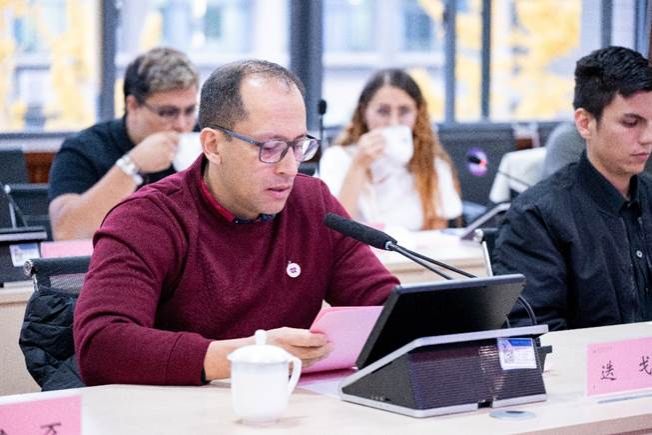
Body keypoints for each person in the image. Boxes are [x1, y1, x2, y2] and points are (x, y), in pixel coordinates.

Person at [73, 59, 399, 386]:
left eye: (298, 145)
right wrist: (251, 355)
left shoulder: (313, 204)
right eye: (269, 147)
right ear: (213, 145)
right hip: (175, 407)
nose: (289, 167)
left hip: (286, 404)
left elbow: (387, 309)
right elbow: (102, 346)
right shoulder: (147, 219)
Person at [493, 46, 652, 331]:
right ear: (585, 123)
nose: (648, 137)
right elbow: (535, 332)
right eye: (631, 123)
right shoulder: (537, 216)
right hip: (583, 359)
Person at [48, 47, 199, 240]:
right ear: (133, 105)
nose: (181, 125)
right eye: (167, 113)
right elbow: (67, 233)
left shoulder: (205, 140)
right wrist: (132, 165)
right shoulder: (84, 148)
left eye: (190, 111)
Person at [319, 68, 462, 231]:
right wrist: (359, 166)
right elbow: (333, 229)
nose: (393, 122)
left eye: (404, 111)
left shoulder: (432, 165)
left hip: (409, 248)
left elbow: (437, 232)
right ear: (364, 112)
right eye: (383, 111)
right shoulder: (337, 158)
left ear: (418, 113)